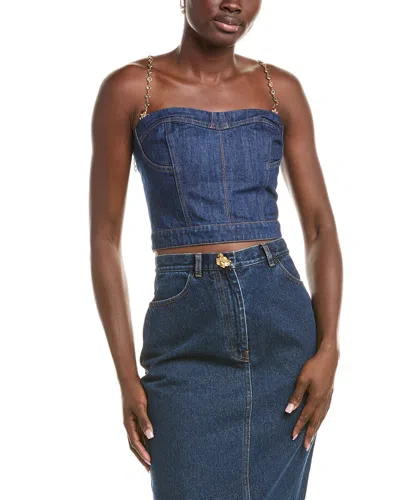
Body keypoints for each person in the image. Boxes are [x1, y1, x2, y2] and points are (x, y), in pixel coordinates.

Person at [89, 1, 342, 499]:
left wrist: (329, 347)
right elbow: (105, 239)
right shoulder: (130, 89)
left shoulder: (280, 90)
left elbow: (319, 228)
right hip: (185, 333)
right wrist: (125, 376)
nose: (234, 3)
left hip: (281, 329)